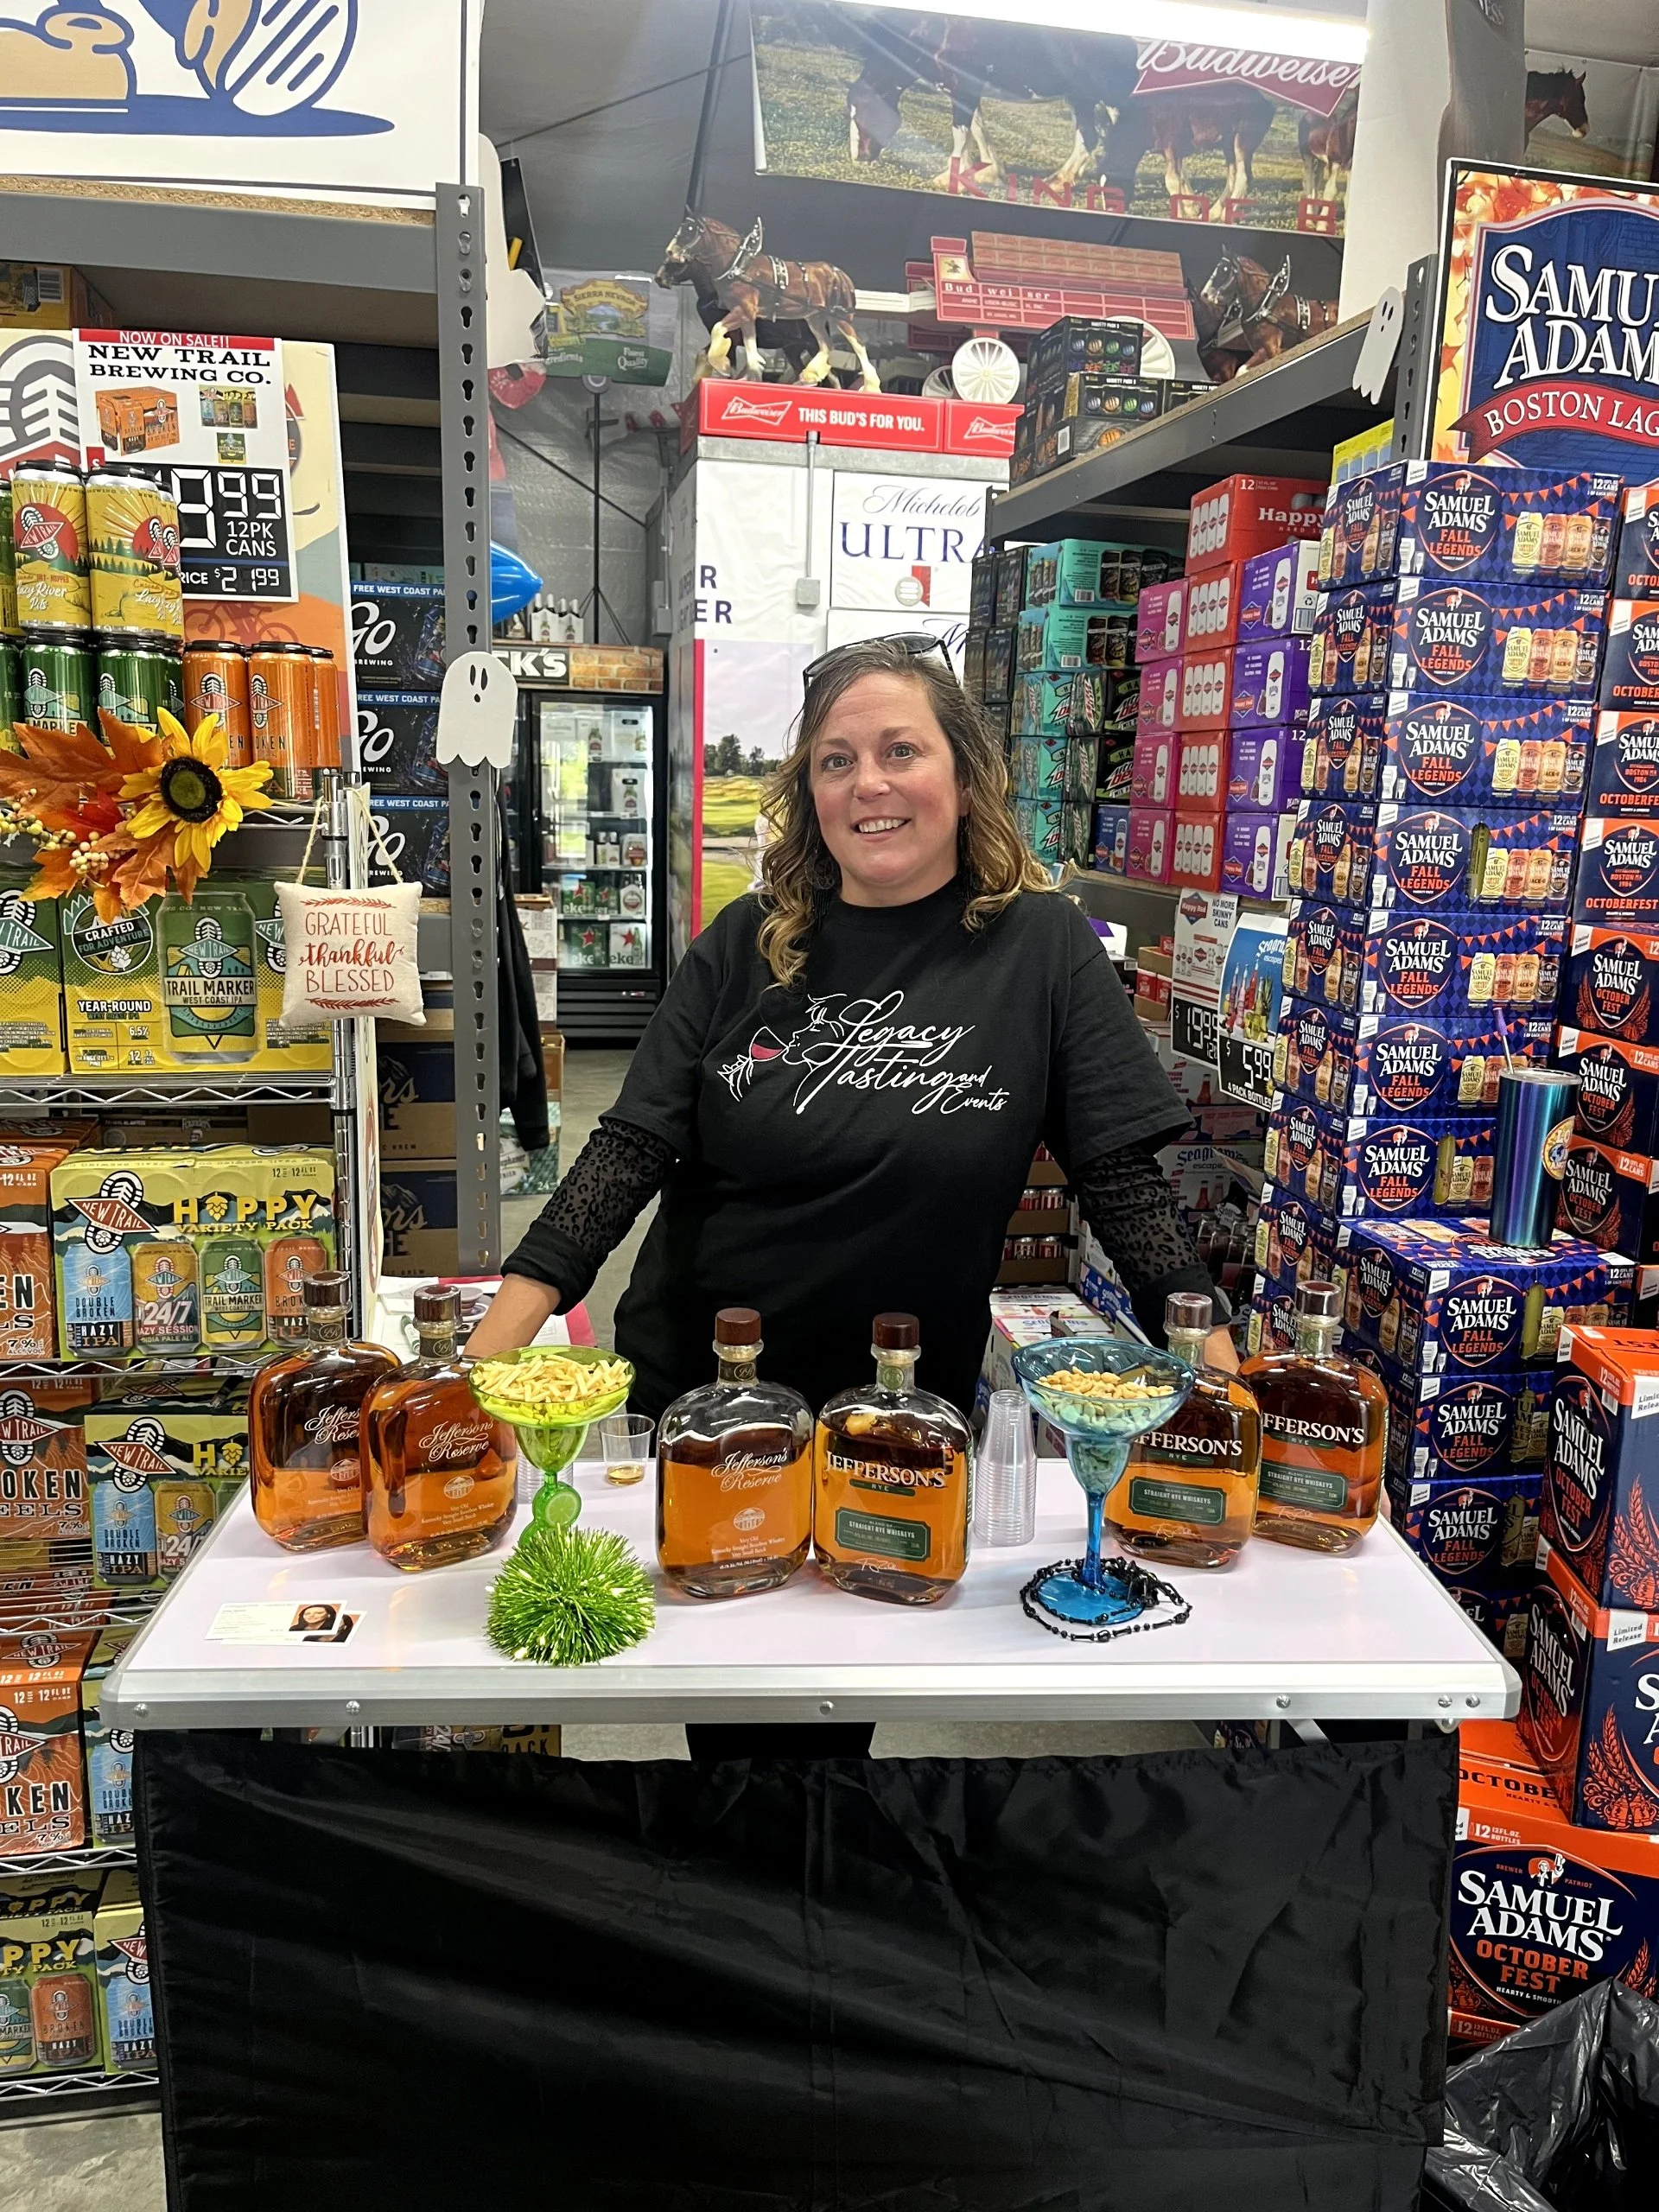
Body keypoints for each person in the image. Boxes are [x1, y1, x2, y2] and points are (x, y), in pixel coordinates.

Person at [468, 634, 1231, 1745]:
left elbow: (1124, 1186)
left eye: (899, 750)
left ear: (962, 777)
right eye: (835, 761)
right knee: (731, 1706)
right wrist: (487, 1357)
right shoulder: (745, 945)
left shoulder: (1044, 949)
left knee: (848, 1701)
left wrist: (1221, 1378)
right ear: (809, 795)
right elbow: (624, 1153)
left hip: (899, 1416)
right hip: (710, 1401)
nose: (868, 784)